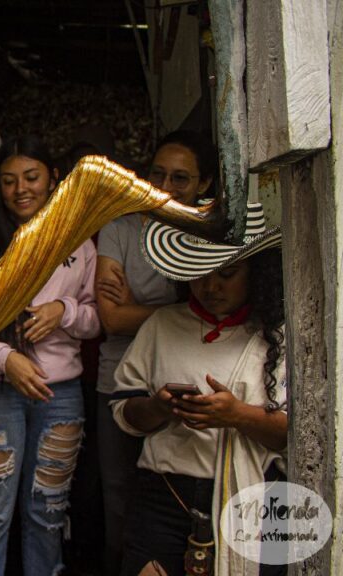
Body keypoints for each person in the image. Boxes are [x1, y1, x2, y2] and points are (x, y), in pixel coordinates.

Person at [0, 135, 100, 576]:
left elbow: (96, 321)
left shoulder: (77, 242)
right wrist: (4, 359)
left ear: (53, 179)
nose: (20, 190)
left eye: (31, 177)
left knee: (48, 513)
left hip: (60, 393)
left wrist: (62, 311)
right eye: (8, 181)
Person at [111, 203, 286, 576]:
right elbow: (123, 410)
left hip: (252, 502)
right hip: (164, 498)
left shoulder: (276, 337)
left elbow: (296, 435)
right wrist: (159, 409)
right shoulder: (162, 325)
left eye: (228, 273)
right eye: (200, 273)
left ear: (256, 272)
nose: (211, 287)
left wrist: (236, 415)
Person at [93, 130, 216, 575]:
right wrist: (178, 311)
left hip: (196, 388)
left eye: (180, 178)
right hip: (120, 381)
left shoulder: (211, 234)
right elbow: (111, 319)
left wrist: (141, 309)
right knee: (118, 497)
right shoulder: (121, 228)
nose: (165, 186)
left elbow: (213, 310)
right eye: (157, 174)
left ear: (204, 184)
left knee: (183, 502)